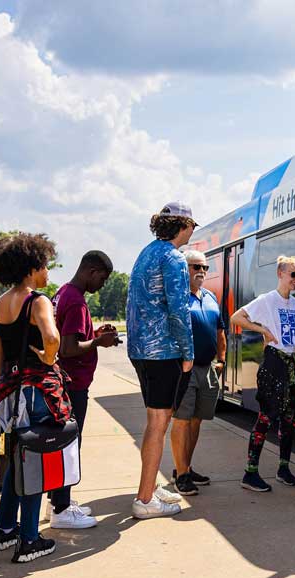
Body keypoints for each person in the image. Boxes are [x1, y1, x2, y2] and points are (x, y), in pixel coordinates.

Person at [0, 233, 67, 563]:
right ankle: (30, 539)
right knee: (35, 463)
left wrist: (4, 384)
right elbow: (52, 336)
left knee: (16, 460)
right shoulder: (38, 301)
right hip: (38, 392)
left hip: (11, 390)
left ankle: (5, 529)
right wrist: (49, 358)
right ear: (32, 268)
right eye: (45, 265)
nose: (48, 272)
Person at [126, 202, 196, 519]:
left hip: (140, 350)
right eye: (193, 224)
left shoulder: (146, 253)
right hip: (164, 352)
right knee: (159, 424)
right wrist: (188, 352)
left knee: (155, 422)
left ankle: (150, 486)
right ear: (183, 225)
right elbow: (179, 309)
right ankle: (144, 500)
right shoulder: (174, 258)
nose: (194, 230)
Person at [46, 251, 119, 528]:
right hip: (73, 384)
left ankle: (58, 501)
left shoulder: (63, 292)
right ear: (91, 271)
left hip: (63, 382)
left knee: (63, 444)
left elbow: (71, 337)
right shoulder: (76, 301)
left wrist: (95, 335)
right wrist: (99, 343)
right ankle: (62, 510)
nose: (102, 284)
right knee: (70, 446)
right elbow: (68, 348)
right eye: (102, 278)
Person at [230, 256, 295, 492]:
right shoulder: (267, 300)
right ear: (280, 274)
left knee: (290, 419)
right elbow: (236, 317)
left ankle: (283, 468)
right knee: (266, 416)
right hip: (274, 363)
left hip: (293, 364)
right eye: (293, 274)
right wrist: (262, 329)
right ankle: (250, 472)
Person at [169, 249, 226, 496]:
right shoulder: (177, 298)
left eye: (204, 267)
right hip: (184, 368)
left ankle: (186, 467)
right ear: (184, 270)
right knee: (182, 420)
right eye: (196, 267)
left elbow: (219, 330)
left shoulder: (211, 297)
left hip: (207, 368)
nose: (201, 271)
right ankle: (180, 475)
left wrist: (222, 360)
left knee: (196, 421)